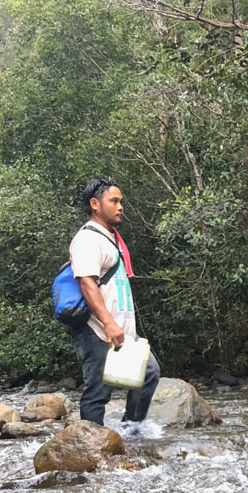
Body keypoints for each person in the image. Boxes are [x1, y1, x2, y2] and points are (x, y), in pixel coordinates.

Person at [69, 178, 160, 427]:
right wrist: (108, 323)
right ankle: (93, 450)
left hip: (123, 330)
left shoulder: (112, 238)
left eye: (121, 202)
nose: (121, 207)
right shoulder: (88, 239)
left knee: (149, 372)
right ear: (95, 204)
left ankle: (131, 429)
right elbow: (87, 283)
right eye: (114, 201)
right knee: (98, 393)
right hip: (98, 330)